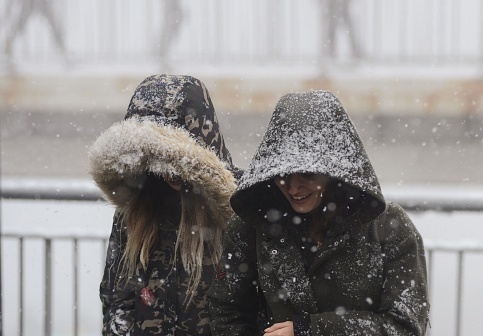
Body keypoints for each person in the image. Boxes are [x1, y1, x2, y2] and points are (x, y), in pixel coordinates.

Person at [208, 90, 430, 335]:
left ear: (334, 172)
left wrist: (309, 330)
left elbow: (405, 327)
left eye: (307, 174)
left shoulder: (390, 228)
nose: (293, 187)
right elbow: (228, 312)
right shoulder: (251, 226)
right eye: (282, 176)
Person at [89, 74, 239, 335]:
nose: (171, 171)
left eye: (177, 159)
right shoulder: (137, 209)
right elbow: (116, 299)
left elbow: (252, 306)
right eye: (158, 158)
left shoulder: (239, 208)